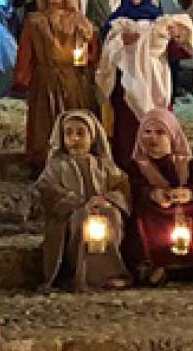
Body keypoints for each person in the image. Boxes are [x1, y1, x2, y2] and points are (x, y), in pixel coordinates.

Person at [124, 109, 193, 286]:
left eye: (160, 133)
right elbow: (132, 189)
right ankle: (152, 267)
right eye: (147, 132)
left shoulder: (185, 162)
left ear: (172, 136)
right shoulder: (136, 166)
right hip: (156, 211)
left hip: (185, 209)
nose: (152, 138)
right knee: (143, 215)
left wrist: (190, 193)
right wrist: (152, 194)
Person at [96, 0, 193, 169]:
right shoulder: (116, 22)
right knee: (128, 131)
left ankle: (160, 170)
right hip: (126, 87)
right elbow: (106, 53)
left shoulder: (160, 21)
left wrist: (177, 38)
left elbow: (178, 52)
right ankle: (129, 172)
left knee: (157, 126)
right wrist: (120, 42)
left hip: (156, 82)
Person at [36, 110, 131, 292]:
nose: (75, 138)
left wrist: (107, 199)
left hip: (101, 208)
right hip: (69, 215)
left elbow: (121, 186)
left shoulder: (103, 165)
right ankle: (80, 274)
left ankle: (110, 273)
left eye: (81, 133)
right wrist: (76, 202)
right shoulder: (57, 165)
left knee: (111, 216)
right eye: (69, 133)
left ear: (92, 137)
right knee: (82, 219)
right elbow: (47, 190)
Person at [13, 0, 99, 170]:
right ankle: (46, 166)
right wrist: (22, 79)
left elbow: (93, 52)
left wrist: (87, 52)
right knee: (46, 124)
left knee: (76, 119)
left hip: (74, 81)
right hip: (46, 82)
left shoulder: (80, 21)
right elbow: (25, 54)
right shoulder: (34, 22)